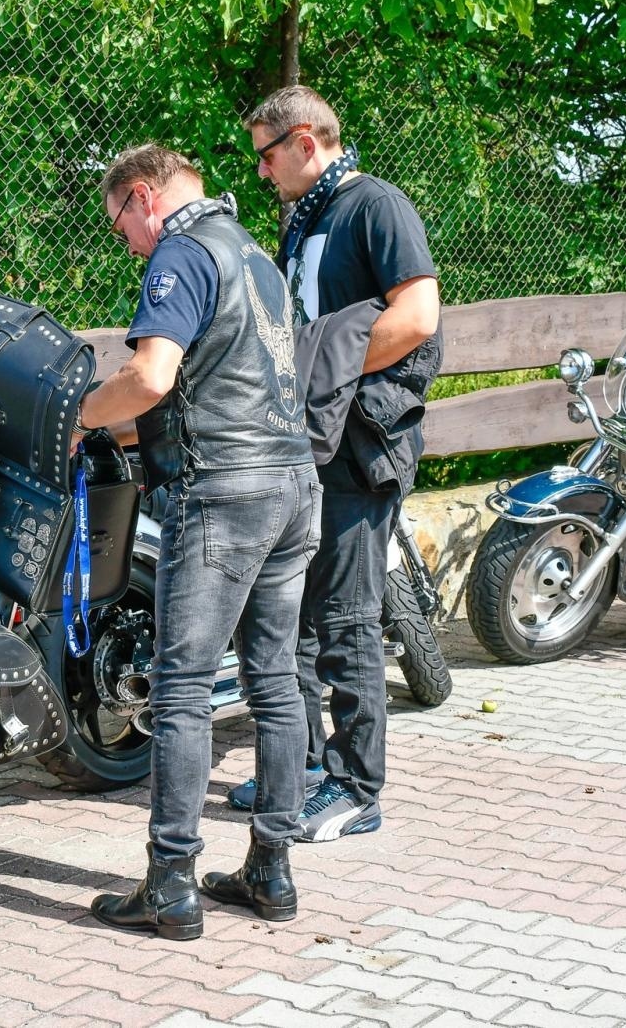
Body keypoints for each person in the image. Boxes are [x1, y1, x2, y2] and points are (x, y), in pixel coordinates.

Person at [76, 144, 319, 940]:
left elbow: (152, 378)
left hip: (223, 488)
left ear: (143, 196)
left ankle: (170, 885)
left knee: (180, 688)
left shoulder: (182, 252)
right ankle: (271, 871)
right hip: (291, 484)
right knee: (275, 680)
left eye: (122, 227)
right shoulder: (255, 254)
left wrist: (80, 418)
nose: (129, 244)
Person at [229, 85, 442, 842]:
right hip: (311, 444)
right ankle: (303, 765)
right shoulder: (307, 216)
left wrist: (325, 377)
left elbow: (418, 317)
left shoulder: (374, 206)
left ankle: (355, 786)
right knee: (295, 615)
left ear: (304, 143)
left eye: (266, 154)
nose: (261, 173)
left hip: (361, 450)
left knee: (348, 617)